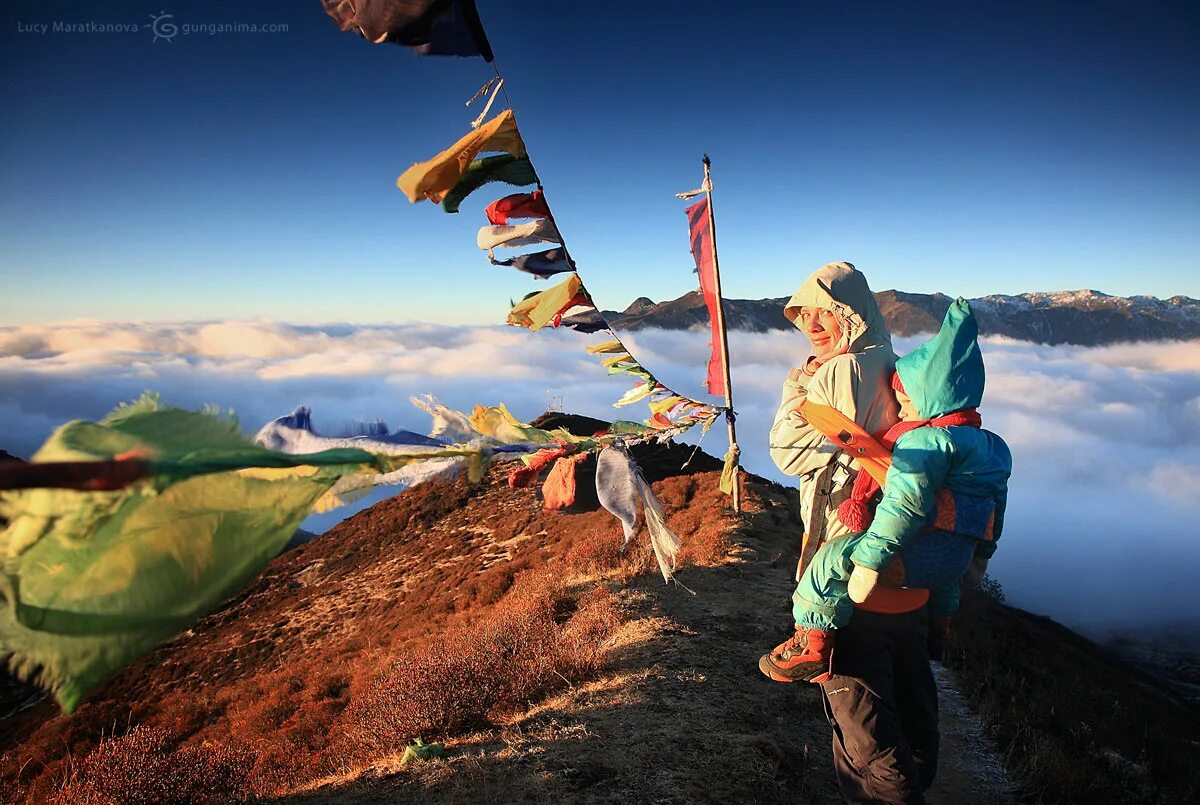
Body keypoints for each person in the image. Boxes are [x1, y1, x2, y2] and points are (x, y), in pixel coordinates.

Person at [759, 299, 1011, 686]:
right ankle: (940, 629)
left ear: (932, 399)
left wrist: (871, 560)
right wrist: (981, 557)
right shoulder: (993, 445)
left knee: (827, 563)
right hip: (955, 565)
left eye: (905, 397)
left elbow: (904, 505)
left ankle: (811, 642)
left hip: (913, 561)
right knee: (944, 571)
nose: (899, 406)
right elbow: (997, 509)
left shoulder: (926, 442)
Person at [765, 261, 939, 804]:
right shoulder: (898, 364)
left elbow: (788, 453)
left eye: (826, 311)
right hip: (907, 565)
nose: (813, 323)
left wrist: (800, 385)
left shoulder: (839, 372)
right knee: (911, 709)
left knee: (861, 724)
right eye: (805, 313)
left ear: (852, 314)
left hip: (849, 570)